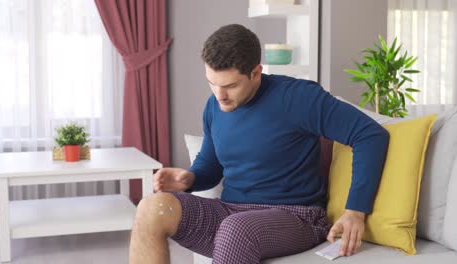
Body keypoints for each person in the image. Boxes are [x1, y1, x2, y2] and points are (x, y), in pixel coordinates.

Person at [129, 24, 389, 264]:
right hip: (230, 212)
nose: (220, 95)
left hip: (296, 217)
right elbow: (210, 165)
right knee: (151, 207)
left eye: (230, 85)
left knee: (236, 228)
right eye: (212, 83)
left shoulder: (300, 97)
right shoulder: (214, 106)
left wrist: (356, 210)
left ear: (256, 72)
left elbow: (369, 135)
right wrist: (189, 179)